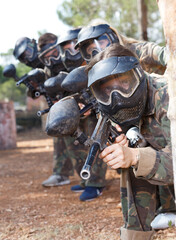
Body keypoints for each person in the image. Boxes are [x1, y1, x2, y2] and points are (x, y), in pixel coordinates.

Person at [85, 43, 175, 239]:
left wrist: (135, 156)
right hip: (165, 176)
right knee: (131, 161)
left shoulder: (168, 96)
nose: (117, 97)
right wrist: (128, 152)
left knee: (135, 158)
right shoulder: (114, 110)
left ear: (138, 75)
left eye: (124, 83)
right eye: (107, 90)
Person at [57, 28, 107, 201]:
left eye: (73, 48)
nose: (70, 53)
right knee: (78, 145)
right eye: (65, 50)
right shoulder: (70, 70)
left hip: (100, 113)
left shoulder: (96, 62)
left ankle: (96, 183)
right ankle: (86, 180)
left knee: (96, 143)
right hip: (84, 113)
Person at [75, 22, 166, 75]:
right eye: (91, 50)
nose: (98, 52)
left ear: (113, 38)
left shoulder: (139, 51)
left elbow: (166, 55)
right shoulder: (97, 73)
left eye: (101, 43)